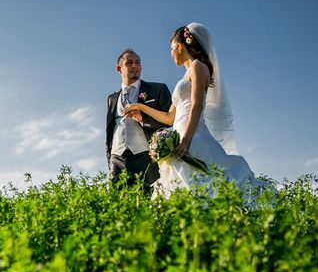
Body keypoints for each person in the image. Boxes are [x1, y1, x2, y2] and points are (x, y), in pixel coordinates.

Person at [123, 23, 260, 198]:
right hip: (178, 134)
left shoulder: (198, 66)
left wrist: (186, 141)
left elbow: (197, 105)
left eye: (172, 48)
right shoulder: (186, 74)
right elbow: (169, 117)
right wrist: (141, 107)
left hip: (193, 136)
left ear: (180, 46)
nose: (171, 53)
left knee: (202, 186)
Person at [105, 49, 172, 191]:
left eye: (137, 62)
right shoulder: (111, 99)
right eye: (129, 62)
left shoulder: (157, 89)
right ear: (119, 69)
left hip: (147, 157)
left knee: (150, 204)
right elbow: (110, 131)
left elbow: (171, 121)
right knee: (118, 207)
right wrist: (110, 160)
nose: (135, 65)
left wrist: (143, 119)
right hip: (117, 159)